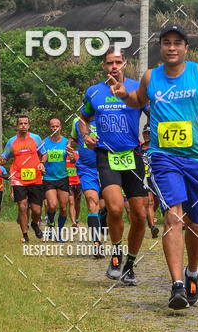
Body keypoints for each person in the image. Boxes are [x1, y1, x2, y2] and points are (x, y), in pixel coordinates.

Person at [109, 24, 198, 310]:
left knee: (195, 224)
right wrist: (122, 94)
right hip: (163, 158)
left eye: (177, 43)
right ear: (161, 47)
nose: (171, 47)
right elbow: (137, 100)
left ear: (185, 48)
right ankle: (177, 285)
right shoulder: (150, 77)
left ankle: (192, 272)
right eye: (166, 42)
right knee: (173, 217)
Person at [76, 46, 149, 285]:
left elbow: (155, 113)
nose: (114, 67)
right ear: (104, 66)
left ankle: (129, 265)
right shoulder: (94, 92)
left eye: (118, 62)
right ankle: (116, 254)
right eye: (109, 63)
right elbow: (83, 118)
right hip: (106, 156)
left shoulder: (138, 89)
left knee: (139, 214)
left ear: (125, 64)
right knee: (116, 209)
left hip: (133, 155)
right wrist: (85, 135)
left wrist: (154, 139)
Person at [0, 115, 45, 243]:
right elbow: (4, 157)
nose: (23, 125)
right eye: (20, 123)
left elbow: (44, 154)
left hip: (35, 178)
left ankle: (35, 224)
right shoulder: (11, 142)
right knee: (22, 207)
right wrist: (0, 161)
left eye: (25, 123)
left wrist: (42, 163)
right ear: (17, 126)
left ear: (29, 125)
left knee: (37, 210)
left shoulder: (35, 139)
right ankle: (25, 235)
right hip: (18, 178)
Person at [69, 116, 106, 257]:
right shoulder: (77, 121)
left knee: (105, 206)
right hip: (87, 169)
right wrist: (69, 148)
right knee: (92, 203)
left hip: (106, 167)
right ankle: (97, 244)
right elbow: (73, 139)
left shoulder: (106, 115)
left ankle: (102, 220)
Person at [38, 117, 70, 240]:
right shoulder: (44, 142)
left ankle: (60, 233)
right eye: (52, 126)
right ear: (49, 128)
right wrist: (41, 165)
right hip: (49, 178)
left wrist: (72, 156)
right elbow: (40, 157)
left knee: (63, 207)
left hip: (63, 177)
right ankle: (51, 225)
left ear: (60, 127)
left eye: (57, 126)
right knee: (52, 205)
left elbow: (72, 159)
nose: (55, 129)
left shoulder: (66, 142)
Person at [140, 127, 159, 238]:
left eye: (149, 133)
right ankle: (152, 227)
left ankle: (150, 218)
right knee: (150, 202)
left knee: (156, 202)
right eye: (145, 133)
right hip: (144, 178)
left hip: (155, 177)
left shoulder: (155, 147)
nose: (147, 135)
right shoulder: (139, 148)